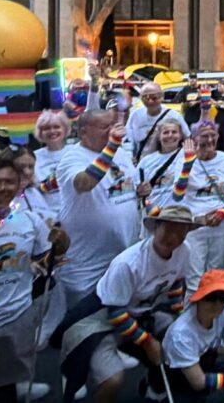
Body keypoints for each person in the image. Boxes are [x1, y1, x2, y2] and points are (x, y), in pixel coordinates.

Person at [55, 206, 199, 403]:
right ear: (155, 227)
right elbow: (116, 313)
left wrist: (179, 317)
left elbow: (175, 283)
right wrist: (147, 341)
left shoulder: (184, 251)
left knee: (177, 340)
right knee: (113, 380)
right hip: (103, 317)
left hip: (142, 312)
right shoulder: (128, 263)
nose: (173, 238)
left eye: (181, 231)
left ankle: (153, 390)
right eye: (169, 229)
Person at [55, 109, 146, 307]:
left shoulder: (121, 154)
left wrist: (139, 190)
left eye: (112, 126)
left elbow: (125, 187)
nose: (112, 131)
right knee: (84, 319)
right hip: (86, 264)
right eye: (105, 127)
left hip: (122, 253)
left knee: (120, 313)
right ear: (83, 132)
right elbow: (84, 183)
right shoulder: (72, 158)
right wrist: (112, 146)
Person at [0, 158, 67, 403]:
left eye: (9, 182)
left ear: (18, 186)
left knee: (7, 382)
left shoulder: (28, 220)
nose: (2, 188)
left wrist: (60, 247)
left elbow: (48, 261)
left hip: (16, 315)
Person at [162, 269, 224, 402]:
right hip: (182, 375)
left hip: (205, 361)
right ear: (200, 298)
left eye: (223, 298)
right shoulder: (181, 334)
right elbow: (198, 382)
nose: (218, 304)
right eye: (211, 297)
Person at [172, 120, 224, 295]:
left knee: (215, 273)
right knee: (194, 278)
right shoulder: (185, 160)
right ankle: (191, 316)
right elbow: (177, 195)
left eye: (213, 135)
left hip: (221, 224)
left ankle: (212, 315)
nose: (209, 140)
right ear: (194, 139)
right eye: (204, 136)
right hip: (195, 226)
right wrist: (188, 163)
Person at [126, 81, 190, 162]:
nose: (150, 101)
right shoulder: (135, 115)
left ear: (162, 97)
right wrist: (130, 157)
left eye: (154, 97)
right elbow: (128, 141)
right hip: (143, 163)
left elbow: (187, 139)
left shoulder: (174, 116)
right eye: (145, 97)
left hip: (169, 164)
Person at [33, 110, 73, 218]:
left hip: (77, 214)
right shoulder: (33, 157)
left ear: (65, 129)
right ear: (40, 132)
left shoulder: (76, 151)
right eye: (46, 128)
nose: (52, 131)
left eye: (56, 127)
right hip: (49, 218)